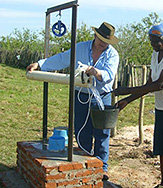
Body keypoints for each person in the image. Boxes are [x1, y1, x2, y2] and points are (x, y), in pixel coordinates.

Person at [26, 22, 119, 176]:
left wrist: (96, 72)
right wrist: (40, 64)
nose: (103, 43)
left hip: (101, 96)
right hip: (81, 94)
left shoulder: (112, 54)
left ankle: (102, 167)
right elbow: (62, 58)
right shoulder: (81, 48)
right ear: (95, 36)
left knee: (102, 132)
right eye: (101, 39)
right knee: (82, 129)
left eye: (106, 41)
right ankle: (85, 163)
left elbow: (109, 75)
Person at [113, 23, 163, 188]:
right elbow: (149, 83)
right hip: (162, 104)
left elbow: (160, 84)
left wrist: (126, 89)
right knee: (162, 144)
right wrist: (128, 99)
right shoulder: (154, 54)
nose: (153, 44)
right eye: (151, 41)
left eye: (156, 41)